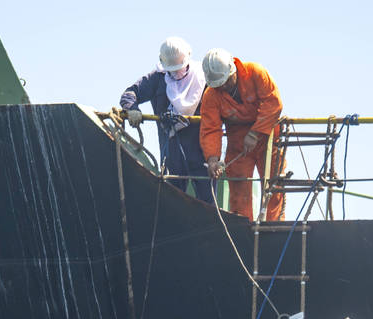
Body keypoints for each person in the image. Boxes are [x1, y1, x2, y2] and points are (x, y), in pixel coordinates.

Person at [118, 37, 213, 203]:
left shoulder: (203, 78)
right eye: (172, 69)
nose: (177, 73)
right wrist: (132, 109)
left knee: (208, 199)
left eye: (180, 68)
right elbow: (130, 93)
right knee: (172, 200)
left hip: (201, 150)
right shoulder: (158, 78)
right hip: (172, 151)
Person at [199, 48, 285, 221]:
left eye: (226, 81)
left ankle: (274, 228)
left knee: (274, 186)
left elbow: (273, 103)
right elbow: (210, 128)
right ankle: (242, 229)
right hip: (238, 142)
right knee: (238, 187)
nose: (223, 86)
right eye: (218, 85)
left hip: (267, 135)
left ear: (233, 69)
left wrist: (255, 133)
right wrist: (212, 159)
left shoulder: (255, 73)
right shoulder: (211, 96)